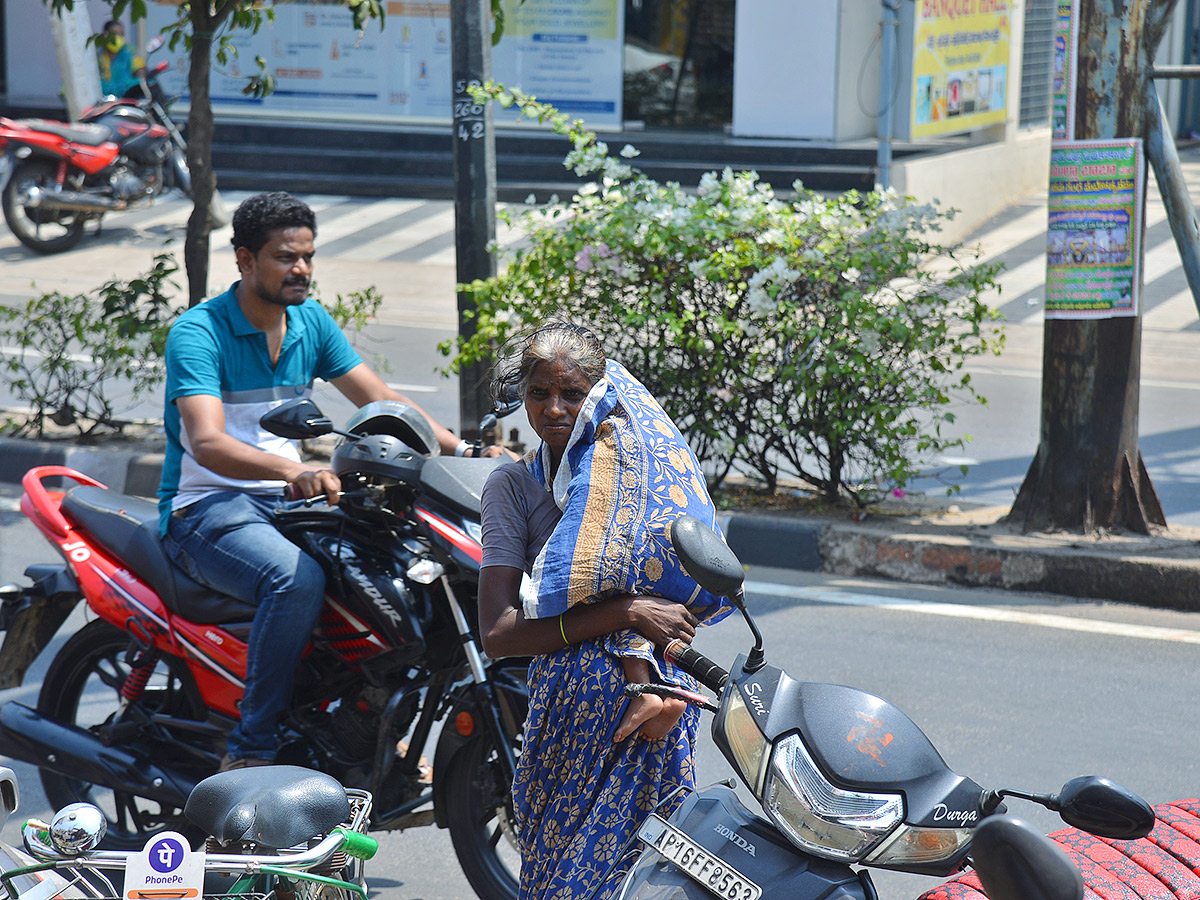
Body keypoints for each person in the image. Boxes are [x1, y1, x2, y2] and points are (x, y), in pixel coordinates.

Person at [158, 191, 495, 771]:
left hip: (290, 502)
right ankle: (252, 751)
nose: (302, 269)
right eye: (286, 257)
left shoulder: (308, 321)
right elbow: (208, 443)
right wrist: (294, 468)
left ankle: (362, 721)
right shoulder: (200, 333)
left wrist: (466, 451)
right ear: (244, 260)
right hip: (207, 506)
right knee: (295, 581)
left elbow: (383, 400)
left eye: (308, 256)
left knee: (389, 570)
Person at [478, 322, 730, 900]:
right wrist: (626, 613)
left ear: (600, 394)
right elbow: (498, 634)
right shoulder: (514, 487)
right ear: (522, 396)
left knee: (651, 882)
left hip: (664, 701)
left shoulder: (636, 474)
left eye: (572, 393)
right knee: (560, 880)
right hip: (574, 710)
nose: (555, 409)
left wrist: (642, 631)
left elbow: (678, 571)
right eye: (539, 394)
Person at [96, 21, 143, 98]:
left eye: (121, 34)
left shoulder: (129, 52)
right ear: (105, 35)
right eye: (114, 34)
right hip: (106, 101)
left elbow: (140, 70)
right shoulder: (99, 56)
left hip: (129, 98)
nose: (118, 37)